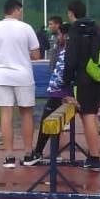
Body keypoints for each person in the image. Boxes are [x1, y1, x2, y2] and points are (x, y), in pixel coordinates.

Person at [0, 0, 40, 168]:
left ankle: (8, 156)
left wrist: (0, 55)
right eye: (20, 11)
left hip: (2, 75)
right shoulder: (26, 28)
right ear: (17, 10)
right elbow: (36, 55)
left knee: (6, 114)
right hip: (23, 75)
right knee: (26, 113)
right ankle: (28, 153)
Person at [62, 0, 100, 170]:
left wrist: (66, 84)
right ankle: (93, 153)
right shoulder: (96, 28)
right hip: (98, 76)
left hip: (83, 78)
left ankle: (95, 157)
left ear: (71, 13)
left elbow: (71, 59)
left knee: (87, 116)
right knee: (92, 114)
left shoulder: (75, 30)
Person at [33, 22, 71, 158]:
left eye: (60, 34)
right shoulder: (65, 48)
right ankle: (52, 151)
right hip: (60, 91)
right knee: (53, 120)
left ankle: (38, 152)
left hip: (59, 92)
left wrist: (66, 92)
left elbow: (65, 73)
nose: (59, 37)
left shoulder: (69, 51)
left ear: (66, 35)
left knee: (46, 120)